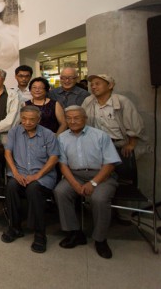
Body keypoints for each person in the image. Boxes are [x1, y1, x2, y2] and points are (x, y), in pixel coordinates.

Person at [54, 106, 121, 259]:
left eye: (76, 118)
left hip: (101, 176)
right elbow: (62, 165)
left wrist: (94, 183)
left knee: (99, 198)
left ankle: (100, 239)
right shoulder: (62, 138)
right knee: (60, 191)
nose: (72, 121)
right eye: (69, 118)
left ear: (85, 118)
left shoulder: (100, 135)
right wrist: (75, 184)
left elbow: (110, 164)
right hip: (74, 175)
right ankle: (74, 233)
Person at [1, 106, 59, 253]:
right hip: (19, 173)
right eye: (24, 119)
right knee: (11, 186)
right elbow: (8, 153)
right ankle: (14, 227)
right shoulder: (15, 131)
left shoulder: (48, 134)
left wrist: (37, 176)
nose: (27, 122)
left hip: (42, 176)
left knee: (34, 189)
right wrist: (15, 173)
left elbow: (54, 158)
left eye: (32, 119)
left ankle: (40, 234)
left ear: (39, 120)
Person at [82, 74, 145, 182]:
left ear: (110, 85)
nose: (93, 87)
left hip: (119, 146)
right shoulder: (89, 101)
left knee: (124, 179)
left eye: (98, 84)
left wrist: (131, 144)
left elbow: (134, 123)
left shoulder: (122, 101)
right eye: (92, 85)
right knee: (100, 178)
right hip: (97, 147)